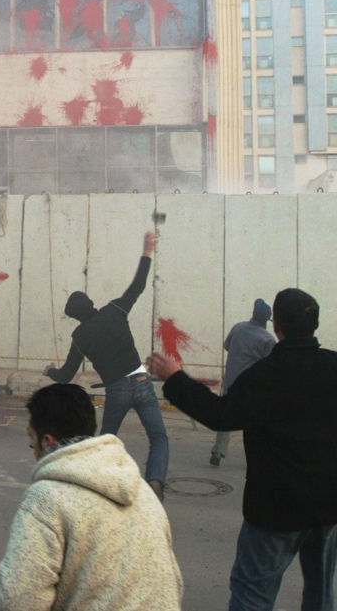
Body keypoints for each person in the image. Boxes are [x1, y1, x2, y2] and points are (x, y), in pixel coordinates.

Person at [149, 288, 337, 611]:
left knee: (252, 596)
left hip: (277, 511)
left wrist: (175, 377)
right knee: (321, 592)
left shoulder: (267, 376)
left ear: (276, 325)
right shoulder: (332, 365)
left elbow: (220, 415)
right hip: (328, 506)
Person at [0, 383, 183, 611]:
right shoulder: (142, 490)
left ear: (47, 441)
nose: (30, 444)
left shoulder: (46, 498)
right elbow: (173, 584)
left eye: (31, 435)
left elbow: (18, 599)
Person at [43, 231, 169, 500]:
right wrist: (146, 252)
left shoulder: (80, 337)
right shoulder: (115, 310)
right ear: (90, 304)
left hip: (116, 390)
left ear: (74, 316)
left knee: (105, 441)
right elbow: (137, 286)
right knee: (158, 438)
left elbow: (65, 376)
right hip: (141, 381)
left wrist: (48, 371)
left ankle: (97, 486)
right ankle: (156, 480)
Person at [211, 298, 276, 467]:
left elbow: (228, 347)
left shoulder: (238, 328)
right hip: (251, 388)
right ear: (267, 321)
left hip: (230, 383)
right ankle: (255, 457)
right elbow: (271, 366)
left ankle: (218, 451)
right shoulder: (268, 340)